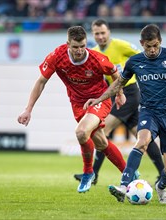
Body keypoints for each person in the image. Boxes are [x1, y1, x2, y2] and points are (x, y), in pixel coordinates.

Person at [83, 24, 166, 204]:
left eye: (155, 45)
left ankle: (161, 187)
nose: (153, 50)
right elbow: (118, 85)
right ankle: (124, 187)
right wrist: (99, 99)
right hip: (149, 111)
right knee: (142, 142)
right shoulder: (134, 62)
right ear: (142, 44)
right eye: (148, 46)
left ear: (160, 42)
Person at [18, 26, 131, 193]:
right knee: (100, 142)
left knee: (81, 132)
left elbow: (116, 74)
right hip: (77, 104)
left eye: (83, 46)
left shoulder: (97, 59)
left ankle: (88, 172)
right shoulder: (57, 56)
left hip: (99, 99)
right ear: (67, 44)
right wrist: (28, 109)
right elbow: (41, 81)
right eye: (75, 47)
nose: (79, 51)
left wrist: (120, 93)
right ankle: (130, 174)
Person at [73, 19, 164, 185]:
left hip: (128, 92)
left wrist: (147, 75)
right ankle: (163, 172)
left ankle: (94, 175)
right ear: (93, 35)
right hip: (114, 94)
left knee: (102, 130)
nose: (100, 36)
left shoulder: (120, 45)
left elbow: (142, 55)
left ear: (109, 32)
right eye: (97, 33)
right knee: (143, 136)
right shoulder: (92, 52)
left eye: (103, 33)